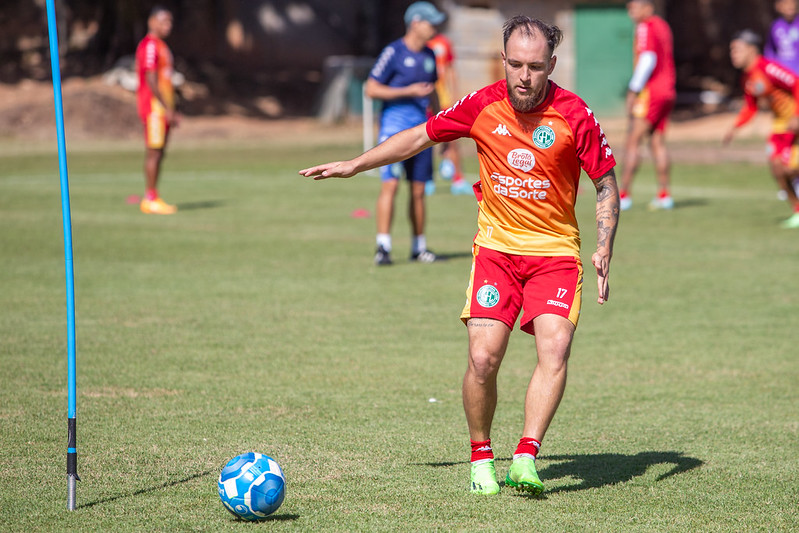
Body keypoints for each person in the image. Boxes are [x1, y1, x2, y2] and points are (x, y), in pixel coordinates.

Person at [300, 16, 620, 495]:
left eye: (535, 66)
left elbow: (606, 183)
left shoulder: (575, 114)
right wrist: (356, 164)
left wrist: (603, 247)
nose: (524, 76)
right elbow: (419, 135)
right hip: (496, 249)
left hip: (555, 253)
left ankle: (526, 457)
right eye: (515, 64)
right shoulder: (482, 104)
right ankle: (481, 456)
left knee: (555, 348)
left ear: (551, 64)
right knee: (483, 359)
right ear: (503, 60)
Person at [366, 1, 444, 265]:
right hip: (393, 129)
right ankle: (383, 247)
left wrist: (443, 123)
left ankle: (418, 247)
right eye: (430, 22)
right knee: (391, 185)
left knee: (419, 190)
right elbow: (371, 89)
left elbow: (432, 91)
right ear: (415, 23)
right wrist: (407, 91)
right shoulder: (394, 52)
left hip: (422, 132)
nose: (435, 26)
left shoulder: (430, 55)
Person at [723, 30, 799, 229]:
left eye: (737, 49)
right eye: (732, 50)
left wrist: (796, 115)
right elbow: (751, 106)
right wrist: (735, 126)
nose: (733, 54)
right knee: (777, 169)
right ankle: (797, 210)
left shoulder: (768, 68)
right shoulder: (747, 78)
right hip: (780, 125)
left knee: (789, 168)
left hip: (794, 122)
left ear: (751, 49)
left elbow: (797, 84)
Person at [619, 0, 676, 211]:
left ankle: (623, 195)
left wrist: (634, 89)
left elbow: (648, 58)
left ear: (647, 7)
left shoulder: (646, 26)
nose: (630, 11)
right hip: (668, 90)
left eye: (634, 7)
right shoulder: (663, 25)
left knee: (633, 140)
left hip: (652, 91)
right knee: (657, 142)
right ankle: (664, 194)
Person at [135, 5, 178, 215]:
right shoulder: (150, 45)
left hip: (162, 108)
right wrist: (165, 107)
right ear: (152, 21)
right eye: (164, 21)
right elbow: (151, 78)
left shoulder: (161, 46)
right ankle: (150, 198)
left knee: (159, 152)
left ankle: (153, 195)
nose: (168, 26)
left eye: (170, 22)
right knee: (154, 152)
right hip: (154, 108)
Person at [427, 31, 472, 195]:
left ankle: (458, 180)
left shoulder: (444, 43)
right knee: (425, 142)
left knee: (452, 140)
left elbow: (451, 70)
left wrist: (454, 96)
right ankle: (427, 180)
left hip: (444, 100)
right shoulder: (420, 45)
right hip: (426, 101)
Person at [765, 0, 799, 75]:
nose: (790, 6)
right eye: (785, 3)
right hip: (783, 75)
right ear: (778, 6)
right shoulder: (775, 26)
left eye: (792, 2)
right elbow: (770, 50)